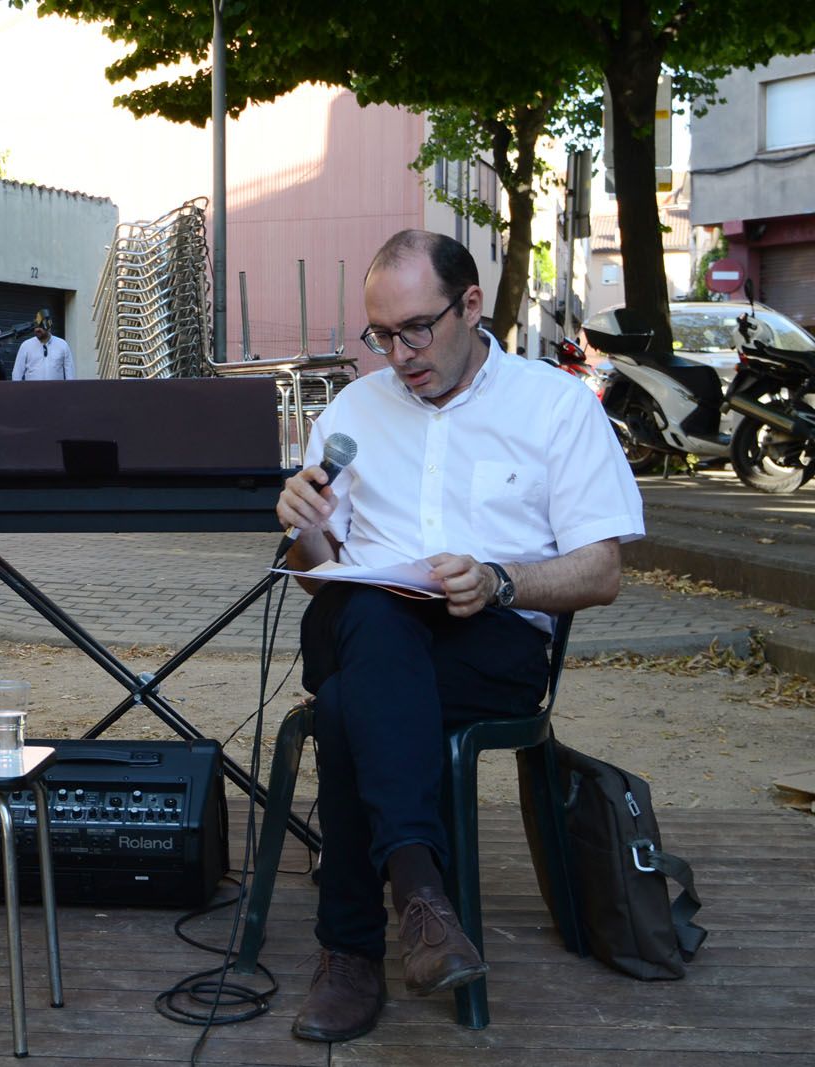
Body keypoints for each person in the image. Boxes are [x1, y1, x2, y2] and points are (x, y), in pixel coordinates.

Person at [272, 230, 643, 1043]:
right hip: (356, 622)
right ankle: (422, 896)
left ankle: (351, 952)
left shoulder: (554, 407)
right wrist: (305, 527)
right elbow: (316, 574)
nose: (400, 355)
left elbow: (602, 570)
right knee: (371, 611)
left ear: (471, 305)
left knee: (346, 705)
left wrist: (501, 579)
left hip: (488, 637)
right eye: (381, 335)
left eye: (416, 328)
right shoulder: (352, 412)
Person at [12, 315, 74, 381]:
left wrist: (71, 387)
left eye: (41, 327)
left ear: (49, 327)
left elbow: (70, 373)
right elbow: (17, 373)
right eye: (36, 327)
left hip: (56, 387)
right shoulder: (26, 346)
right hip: (32, 387)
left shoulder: (62, 345)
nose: (37, 329)